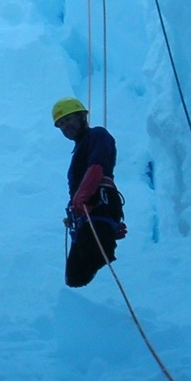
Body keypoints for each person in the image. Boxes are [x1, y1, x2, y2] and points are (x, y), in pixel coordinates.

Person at [52, 97, 125, 288]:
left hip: (98, 201)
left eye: (68, 119)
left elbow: (97, 167)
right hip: (89, 208)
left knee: (93, 255)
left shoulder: (98, 135)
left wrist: (81, 198)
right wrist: (74, 210)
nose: (65, 126)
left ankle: (104, 300)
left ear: (82, 116)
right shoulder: (78, 152)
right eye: (61, 124)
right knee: (74, 276)